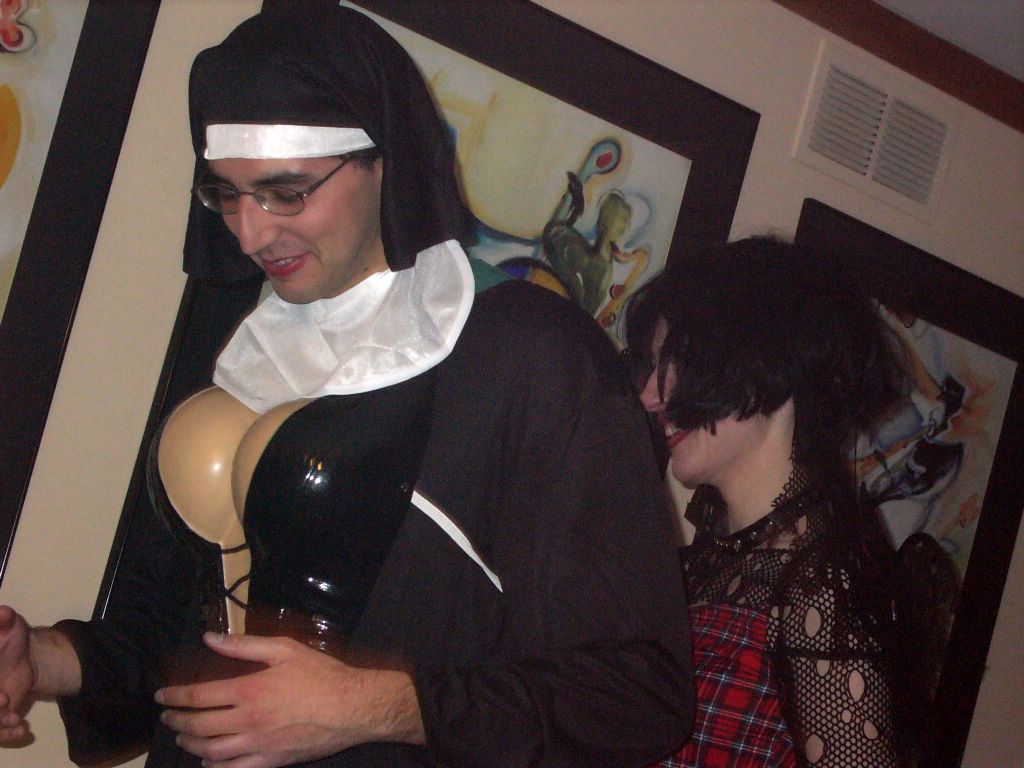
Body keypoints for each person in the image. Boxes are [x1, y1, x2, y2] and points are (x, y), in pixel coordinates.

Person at [0, 3, 693, 767]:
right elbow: (180, 637)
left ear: (385, 158)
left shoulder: (530, 356)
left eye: (287, 190)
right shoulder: (249, 347)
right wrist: (43, 659)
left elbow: (640, 694)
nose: (251, 233)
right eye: (226, 194)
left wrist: (379, 707)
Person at [626, 237, 908, 767]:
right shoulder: (712, 565)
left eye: (680, 361)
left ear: (766, 365)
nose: (650, 397)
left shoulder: (822, 586)